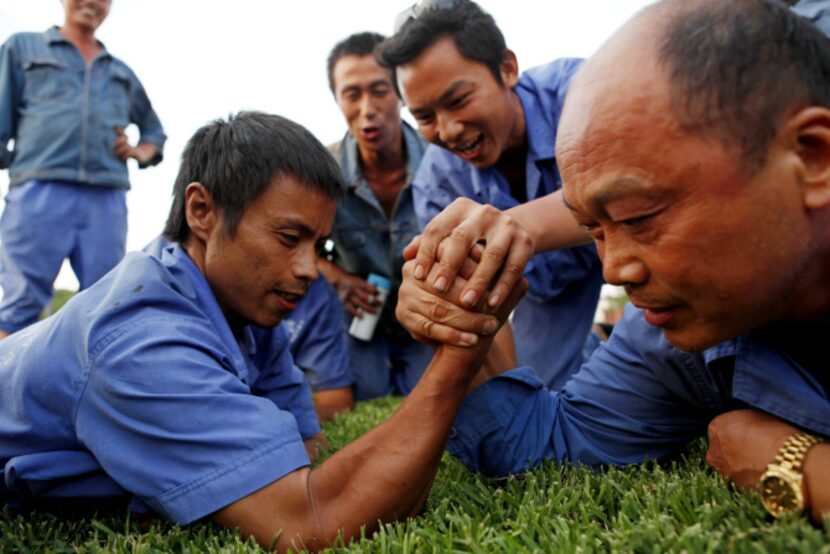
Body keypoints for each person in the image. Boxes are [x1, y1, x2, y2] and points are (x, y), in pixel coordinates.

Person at [0, 111, 525, 551]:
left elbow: (306, 446)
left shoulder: (247, 306)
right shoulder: (142, 340)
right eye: (288, 237)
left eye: (318, 248)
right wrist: (461, 351)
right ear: (201, 210)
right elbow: (310, 522)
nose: (307, 269)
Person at [396, 0, 830, 524]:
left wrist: (799, 467)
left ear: (811, 158)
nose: (614, 270)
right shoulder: (674, 340)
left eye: (640, 216)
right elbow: (545, 450)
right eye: (592, 230)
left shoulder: (595, 92)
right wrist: (456, 325)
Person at [376, 0, 605, 389]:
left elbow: (630, 191)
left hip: (623, 249)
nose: (447, 132)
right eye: (425, 117)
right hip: (547, 293)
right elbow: (475, 298)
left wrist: (512, 226)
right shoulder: (436, 179)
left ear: (507, 68)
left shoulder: (581, 92)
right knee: (541, 388)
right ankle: (594, 347)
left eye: (458, 101)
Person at [0, 0, 166, 338]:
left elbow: (154, 131)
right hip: (38, 190)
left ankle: (85, 388)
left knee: (106, 304)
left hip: (106, 198)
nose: (92, 2)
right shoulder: (23, 48)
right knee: (21, 301)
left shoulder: (120, 72)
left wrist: (140, 151)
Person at [319, 32, 434, 400]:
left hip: (426, 318)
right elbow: (295, 247)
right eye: (352, 94)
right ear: (337, 100)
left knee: (430, 392)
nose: (367, 108)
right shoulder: (321, 171)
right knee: (366, 392)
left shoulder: (442, 161)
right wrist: (337, 278)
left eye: (379, 90)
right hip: (358, 321)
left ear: (401, 92)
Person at [281, 277, 355, 421]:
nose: (311, 271)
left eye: (317, 254)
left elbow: (336, 400)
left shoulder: (317, 291)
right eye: (288, 252)